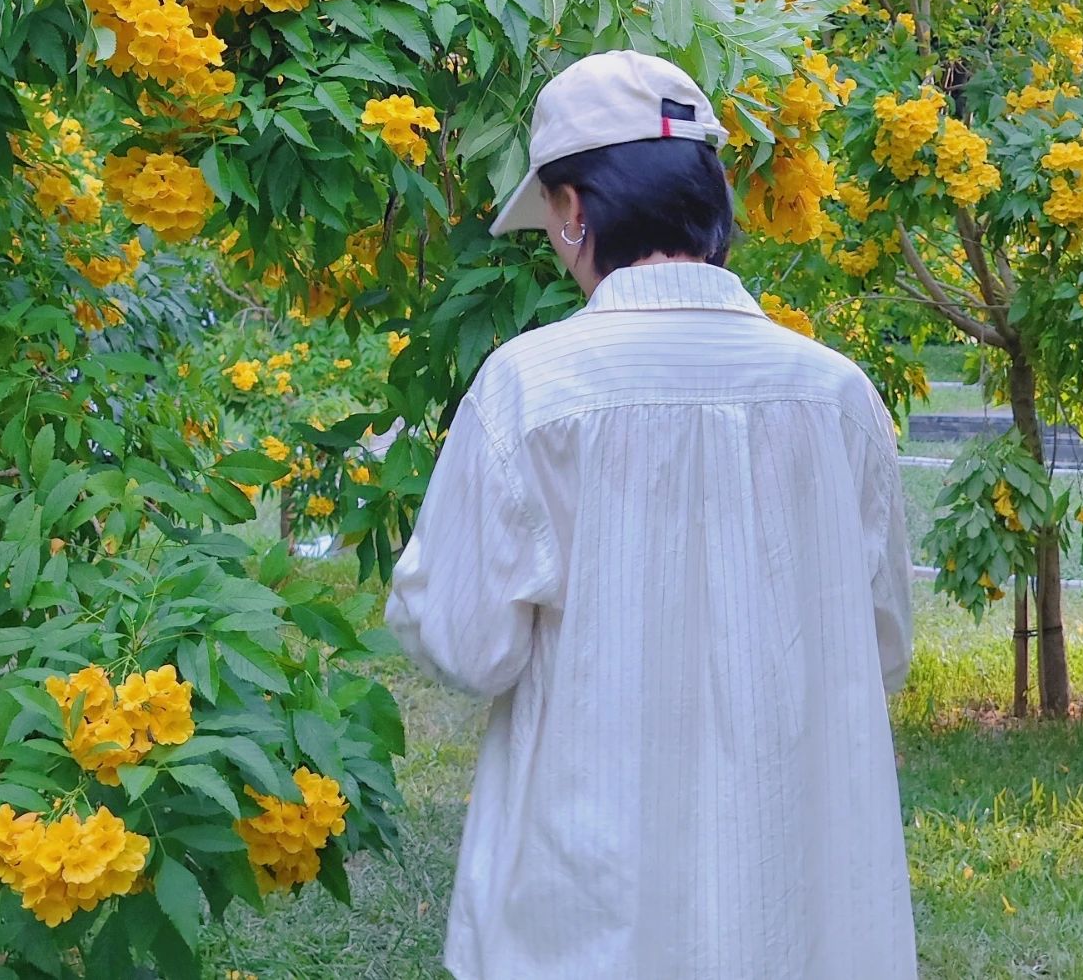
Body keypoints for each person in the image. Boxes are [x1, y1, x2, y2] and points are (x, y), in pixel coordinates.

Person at [384, 48, 915, 980]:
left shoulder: (532, 392)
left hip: (586, 908)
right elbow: (882, 648)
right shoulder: (837, 398)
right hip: (798, 910)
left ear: (577, 210)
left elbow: (471, 645)